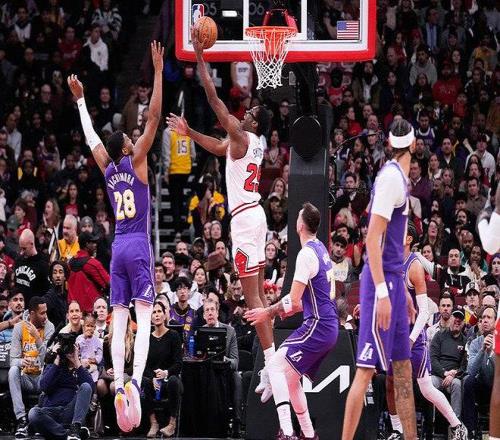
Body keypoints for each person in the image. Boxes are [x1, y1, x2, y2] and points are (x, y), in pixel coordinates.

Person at [167, 28, 275, 403]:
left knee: (253, 300)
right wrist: (188, 131)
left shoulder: (243, 136)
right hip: (255, 215)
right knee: (257, 296)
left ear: (255, 124)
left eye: (251, 113)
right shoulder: (251, 142)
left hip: (245, 219)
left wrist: (200, 56)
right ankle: (272, 363)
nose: (245, 114)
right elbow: (217, 146)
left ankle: (272, 365)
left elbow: (214, 100)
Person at [67, 40, 164, 432]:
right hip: (137, 245)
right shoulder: (137, 161)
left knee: (119, 317)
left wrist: (80, 101)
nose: (133, 138)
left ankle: (119, 380)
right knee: (144, 316)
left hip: (117, 246)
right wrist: (159, 72)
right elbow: (154, 117)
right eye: (129, 138)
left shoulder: (108, 169)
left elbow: (92, 139)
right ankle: (136, 382)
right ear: (126, 146)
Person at [341, 119, 417, 440]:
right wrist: (384, 292)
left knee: (403, 370)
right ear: (414, 145)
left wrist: (403, 292)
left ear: (389, 144)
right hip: (380, 284)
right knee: (365, 371)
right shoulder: (390, 179)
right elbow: (371, 239)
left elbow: (390, 243)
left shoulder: (397, 178)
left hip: (393, 282)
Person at [245, 203, 339, 440]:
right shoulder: (321, 248)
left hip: (318, 324)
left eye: (297, 216)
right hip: (327, 323)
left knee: (275, 367)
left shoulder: (306, 254)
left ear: (300, 225)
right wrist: (287, 309)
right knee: (292, 380)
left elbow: (294, 301)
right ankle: (308, 434)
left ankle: (287, 432)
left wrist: (268, 312)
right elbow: (326, 294)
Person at [385, 223, 467, 440]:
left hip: (413, 335)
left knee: (425, 388)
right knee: (390, 383)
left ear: (409, 239)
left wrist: (411, 339)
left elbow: (424, 312)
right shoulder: (391, 261)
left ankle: (458, 426)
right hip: (394, 334)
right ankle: (397, 430)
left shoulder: (414, 267)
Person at [28, 336, 94, 440]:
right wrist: (57, 359)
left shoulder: (79, 369)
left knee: (85, 386)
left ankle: (74, 428)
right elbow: (44, 387)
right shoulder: (53, 366)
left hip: (70, 411)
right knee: (33, 413)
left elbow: (90, 388)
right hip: (51, 412)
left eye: (71, 349)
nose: (68, 351)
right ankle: (67, 434)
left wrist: (76, 361)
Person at [9, 296, 54, 438]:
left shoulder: (49, 327)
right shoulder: (19, 328)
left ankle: (43, 417)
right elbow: (13, 360)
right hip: (26, 378)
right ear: (32, 313)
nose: (45, 316)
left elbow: (48, 359)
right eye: (42, 313)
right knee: (13, 371)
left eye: (46, 312)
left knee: (53, 369)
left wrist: (37, 338)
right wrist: (21, 362)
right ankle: (21, 419)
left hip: (43, 378)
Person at [203, 297, 242, 437]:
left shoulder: (230, 331)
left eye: (212, 310)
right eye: (207, 310)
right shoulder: (199, 332)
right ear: (204, 315)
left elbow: (235, 362)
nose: (210, 313)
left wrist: (223, 360)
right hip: (206, 373)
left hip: (225, 373)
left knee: (237, 377)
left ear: (217, 313)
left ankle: (237, 421)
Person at [144, 300, 183, 438]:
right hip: (153, 381)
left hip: (169, 379)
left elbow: (178, 363)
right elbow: (144, 365)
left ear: (165, 314)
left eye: (159, 311)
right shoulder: (147, 338)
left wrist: (166, 373)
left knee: (173, 381)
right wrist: (153, 378)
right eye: (153, 312)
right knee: (144, 382)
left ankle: (172, 424)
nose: (156, 315)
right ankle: (153, 423)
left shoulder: (174, 335)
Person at [464, 305, 496, 438]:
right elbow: (471, 370)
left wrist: (492, 353)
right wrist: (483, 350)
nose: (485, 320)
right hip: (482, 388)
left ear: (496, 321)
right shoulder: (476, 343)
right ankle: (470, 431)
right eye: (483, 318)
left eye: (489, 317)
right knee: (468, 381)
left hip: (497, 387)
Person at [430, 308, 467, 420]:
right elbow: (433, 359)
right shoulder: (439, 335)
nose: (457, 321)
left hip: (453, 378)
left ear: (463, 323)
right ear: (450, 318)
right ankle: (429, 423)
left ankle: (455, 424)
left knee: (457, 384)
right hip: (438, 375)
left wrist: (454, 374)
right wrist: (444, 373)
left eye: (460, 319)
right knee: (429, 383)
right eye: (455, 317)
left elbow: (464, 365)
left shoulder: (465, 341)